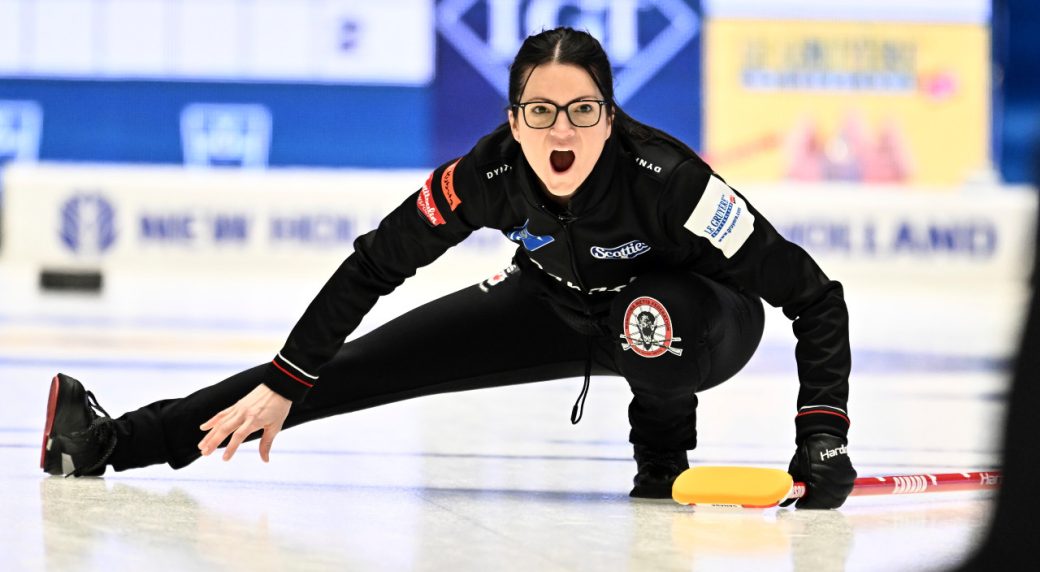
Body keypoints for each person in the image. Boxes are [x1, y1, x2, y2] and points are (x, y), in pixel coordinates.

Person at [40, 27, 856, 505]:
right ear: (513, 119)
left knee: (651, 317)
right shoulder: (487, 174)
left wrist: (821, 436)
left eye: (582, 111)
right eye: (541, 112)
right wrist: (287, 378)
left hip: (706, 320)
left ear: (610, 118)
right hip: (553, 302)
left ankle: (661, 455)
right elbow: (372, 268)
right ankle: (110, 441)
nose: (560, 132)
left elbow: (814, 298)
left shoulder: (670, 180)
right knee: (340, 371)